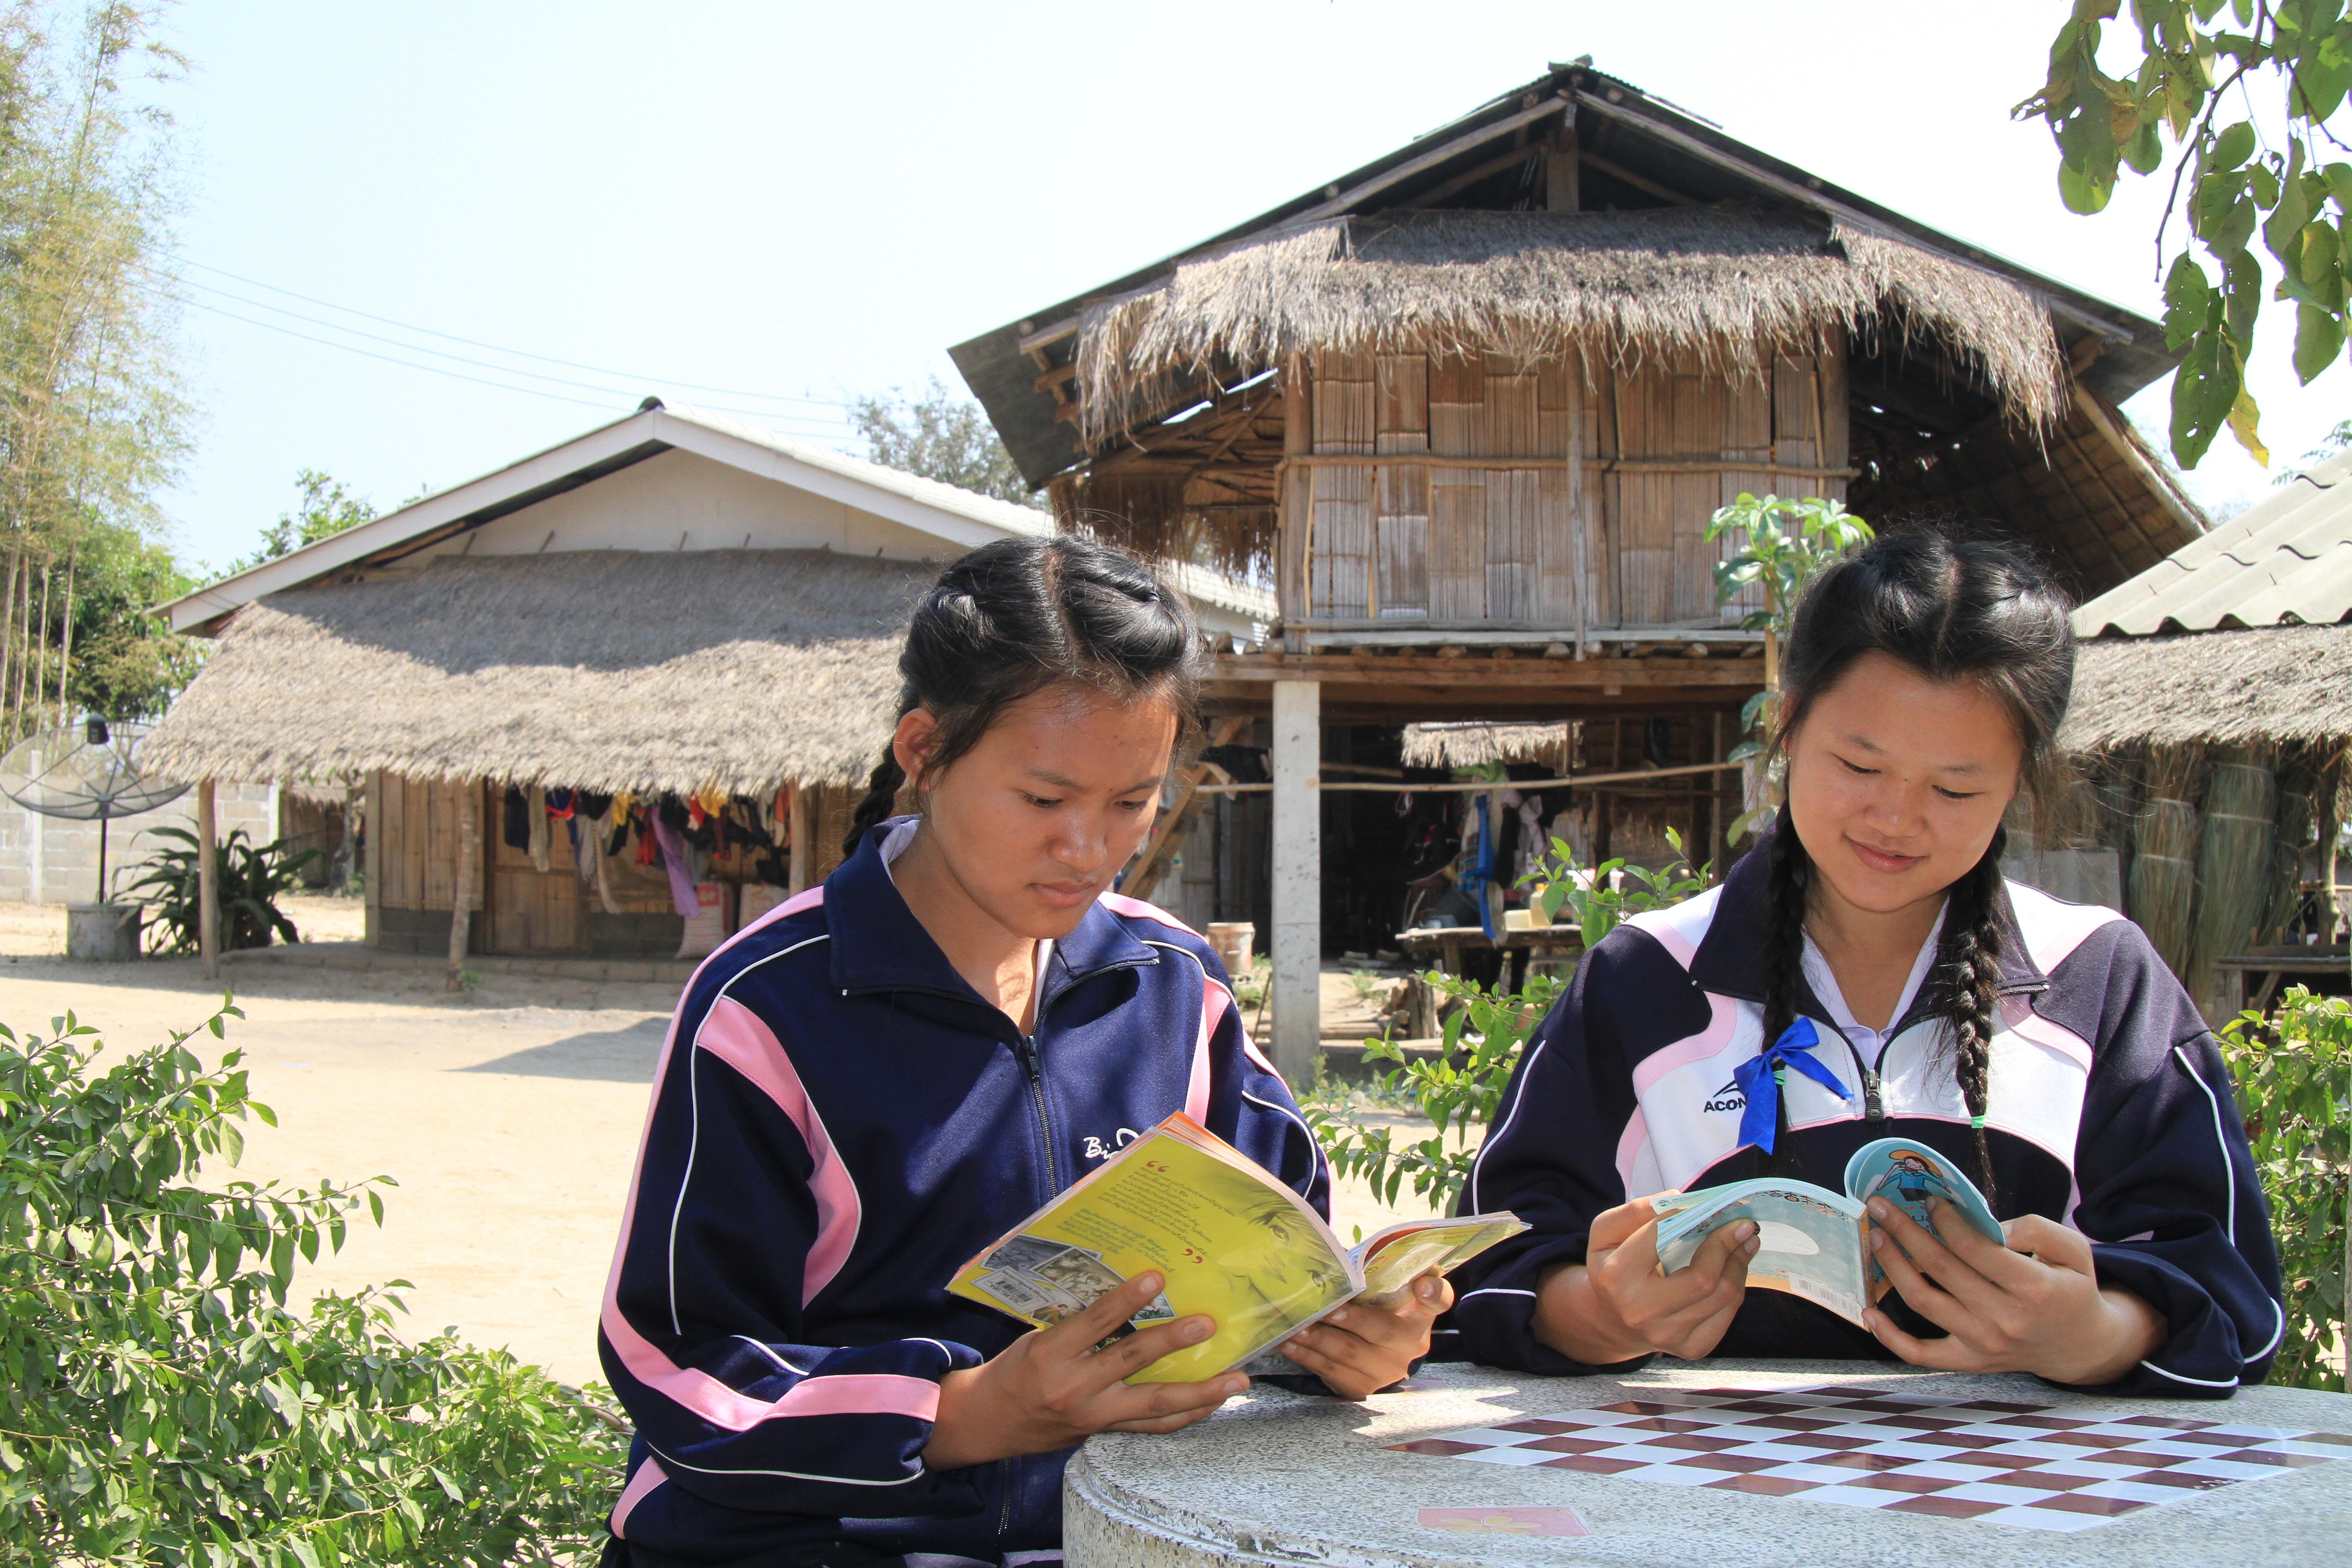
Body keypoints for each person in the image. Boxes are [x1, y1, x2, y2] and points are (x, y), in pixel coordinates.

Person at [597, 536, 1448, 1568]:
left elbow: (1292, 1266)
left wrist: (1357, 1343)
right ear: (923, 750)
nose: (1088, 848)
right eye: (1044, 801)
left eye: (1132, 802)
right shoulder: (768, 1007)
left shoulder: (1176, 989)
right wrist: (964, 1413)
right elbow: (676, 1362)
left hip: (1101, 1538)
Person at [1443, 529, 2283, 1396]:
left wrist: (2094, 1334)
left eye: (1956, 790)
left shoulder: (2100, 981)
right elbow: (1489, 1266)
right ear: (1786, 723)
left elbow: (2231, 1294)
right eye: (1858, 763)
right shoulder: (1644, 981)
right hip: (1700, 1511)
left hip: (2029, 1511)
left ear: (2020, 784)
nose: (1896, 818)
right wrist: (1600, 1316)